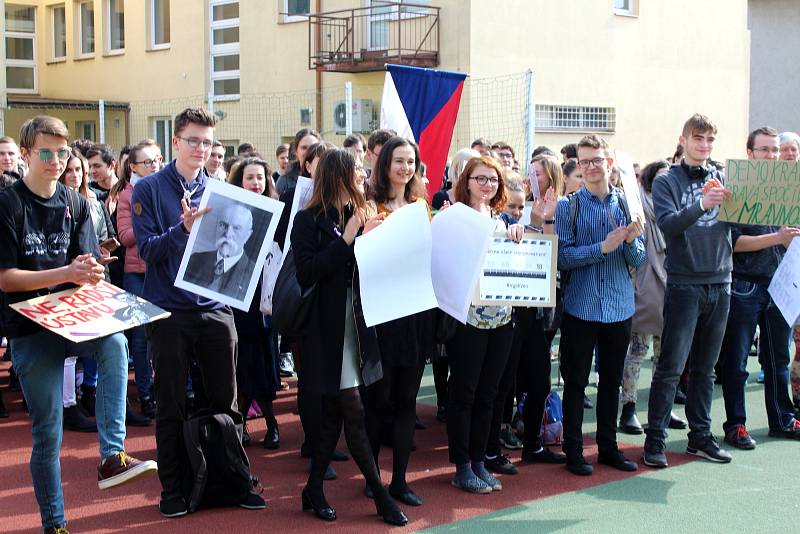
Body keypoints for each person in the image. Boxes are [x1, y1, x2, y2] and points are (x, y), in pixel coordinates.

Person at [0, 116, 157, 533]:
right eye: (45, 153)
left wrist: (90, 271)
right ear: (28, 154)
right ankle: (56, 524)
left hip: (73, 320)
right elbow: (4, 277)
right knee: (47, 435)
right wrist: (65, 274)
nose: (55, 161)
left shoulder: (75, 204)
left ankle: (112, 455)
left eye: (62, 152)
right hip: (29, 330)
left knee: (116, 344)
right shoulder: (8, 204)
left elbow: (83, 265)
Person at [131, 107, 265, 517]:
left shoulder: (220, 188)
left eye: (207, 142)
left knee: (227, 400)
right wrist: (183, 230)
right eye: (193, 140)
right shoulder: (149, 190)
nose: (200, 148)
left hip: (215, 308)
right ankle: (172, 488)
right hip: (168, 311)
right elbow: (148, 251)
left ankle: (235, 479)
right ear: (176, 142)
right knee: (171, 404)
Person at [292, 148, 407, 526]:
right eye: (357, 171)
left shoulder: (363, 213)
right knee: (353, 409)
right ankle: (380, 498)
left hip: (358, 325)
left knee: (332, 417)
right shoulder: (308, 220)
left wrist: (370, 239)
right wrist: (349, 239)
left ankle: (313, 490)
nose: (363, 176)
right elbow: (308, 273)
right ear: (339, 175)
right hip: (325, 332)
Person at [644, 114, 734, 468]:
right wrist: (702, 204)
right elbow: (668, 224)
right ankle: (656, 440)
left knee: (707, 369)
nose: (705, 145)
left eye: (710, 139)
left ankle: (700, 436)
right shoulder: (667, 180)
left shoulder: (725, 175)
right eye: (698, 138)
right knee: (670, 366)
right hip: (684, 283)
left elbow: (739, 224)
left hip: (722, 280)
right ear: (682, 139)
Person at [555, 135, 645, 476]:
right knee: (576, 381)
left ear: (610, 163)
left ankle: (608, 447)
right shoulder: (569, 206)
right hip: (581, 307)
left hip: (619, 307)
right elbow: (562, 257)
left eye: (597, 160)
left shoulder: (627, 204)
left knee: (611, 380)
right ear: (578, 166)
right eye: (585, 161)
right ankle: (574, 450)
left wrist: (632, 240)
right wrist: (601, 248)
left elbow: (638, 258)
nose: (591, 166)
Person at [446, 155, 525, 493]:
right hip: (467, 318)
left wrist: (516, 236)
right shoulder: (454, 217)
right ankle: (462, 465)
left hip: (502, 318)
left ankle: (479, 460)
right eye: (480, 178)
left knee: (489, 393)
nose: (487, 185)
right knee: (464, 392)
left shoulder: (501, 221)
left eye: (493, 180)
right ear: (466, 182)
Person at [363, 137, 435, 507]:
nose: (405, 168)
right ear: (385, 164)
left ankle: (401, 481)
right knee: (379, 400)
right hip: (381, 314)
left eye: (411, 161)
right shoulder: (367, 206)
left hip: (416, 313)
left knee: (407, 399)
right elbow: (360, 259)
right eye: (399, 161)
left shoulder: (422, 205)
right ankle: (372, 476)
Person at [718, 127, 800, 448]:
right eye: (765, 150)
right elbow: (733, 243)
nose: (772, 156)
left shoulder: (789, 188)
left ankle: (782, 418)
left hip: (780, 283)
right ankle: (736, 424)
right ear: (750, 153)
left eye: (776, 150)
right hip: (745, 285)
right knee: (737, 361)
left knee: (778, 357)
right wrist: (776, 237)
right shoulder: (737, 187)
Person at [618, 160, 688, 434]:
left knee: (666, 357)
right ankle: (628, 408)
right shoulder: (640, 207)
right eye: (659, 178)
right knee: (636, 351)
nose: (664, 183)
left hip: (675, 284)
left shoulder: (680, 209)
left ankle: (663, 409)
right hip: (646, 285)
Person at [228, 156, 282, 449]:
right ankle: (242, 426)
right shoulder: (231, 213)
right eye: (250, 178)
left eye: (260, 177)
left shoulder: (276, 213)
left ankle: (272, 425)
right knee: (243, 364)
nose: (256, 183)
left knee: (265, 362)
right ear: (240, 181)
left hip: (266, 297)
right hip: (238, 298)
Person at [113, 140, 163, 419]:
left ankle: (175, 389)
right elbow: (126, 237)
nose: (154, 165)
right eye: (147, 162)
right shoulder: (127, 195)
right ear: (132, 167)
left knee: (169, 333)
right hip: (138, 274)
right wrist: (154, 228)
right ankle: (145, 394)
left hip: (163, 271)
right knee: (142, 338)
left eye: (157, 159)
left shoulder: (168, 187)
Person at [184, 203, 257, 302]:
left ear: (248, 235)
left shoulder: (253, 274)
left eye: (236, 228)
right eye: (223, 225)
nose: (228, 234)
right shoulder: (195, 259)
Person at [781, 132, 800, 413]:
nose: (788, 153)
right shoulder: (760, 185)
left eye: (793, 149)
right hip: (771, 275)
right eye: (783, 149)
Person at [276, 129, 320, 196]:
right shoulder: (285, 180)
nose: (309, 151)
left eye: (313, 147)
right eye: (304, 147)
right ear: (296, 151)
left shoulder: (328, 177)